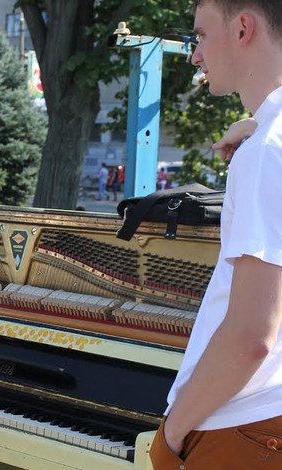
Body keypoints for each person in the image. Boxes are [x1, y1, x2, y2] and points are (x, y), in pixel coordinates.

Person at [148, 1, 282, 469]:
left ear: (243, 27)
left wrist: (172, 435)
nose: (194, 55)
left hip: (244, 427)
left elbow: (251, 337)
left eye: (201, 35)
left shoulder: (265, 152)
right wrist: (257, 124)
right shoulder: (267, 140)